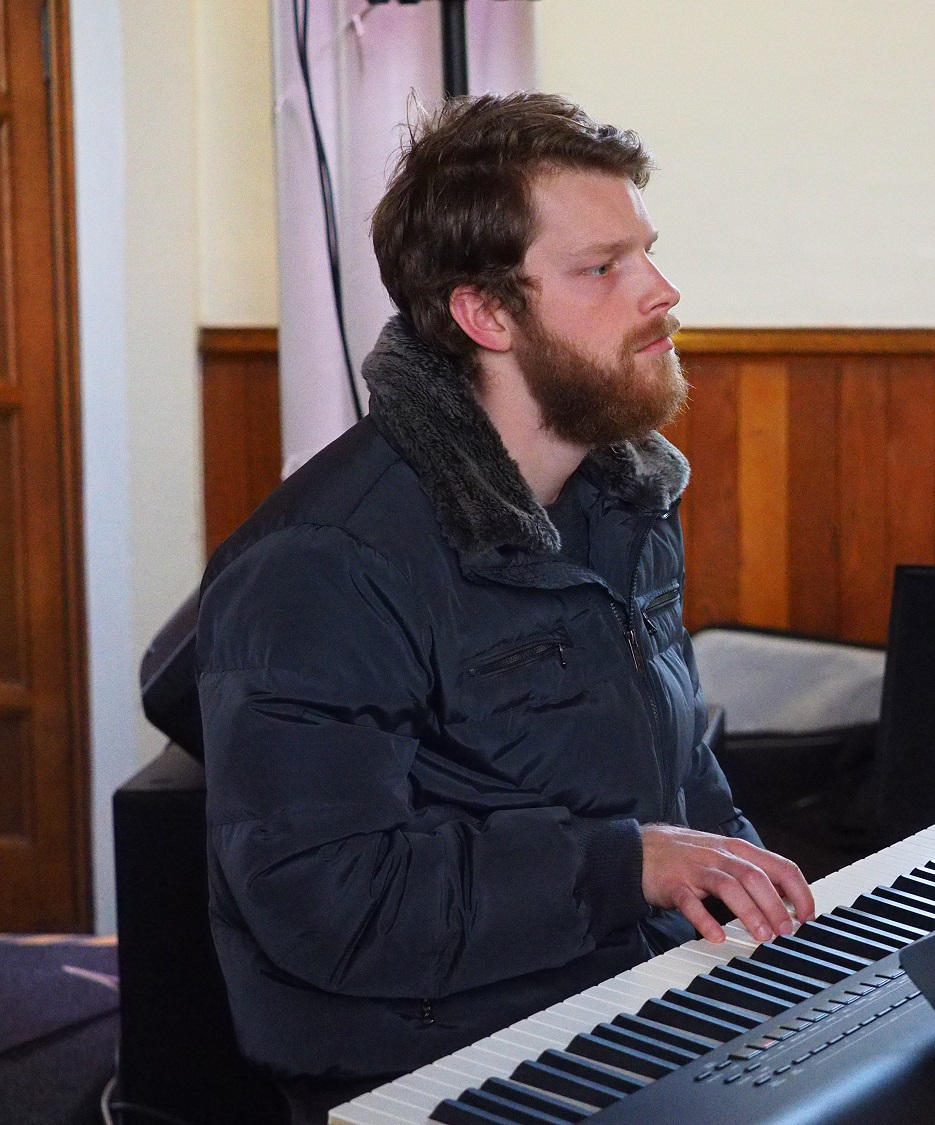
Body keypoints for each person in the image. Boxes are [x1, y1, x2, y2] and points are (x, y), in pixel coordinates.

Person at [196, 92, 815, 1115]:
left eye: (646, 253)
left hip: (630, 998)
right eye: (601, 268)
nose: (661, 292)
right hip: (438, 1064)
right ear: (485, 315)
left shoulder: (623, 498)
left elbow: (674, 773)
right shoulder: (321, 563)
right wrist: (627, 865)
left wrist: (756, 899)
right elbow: (321, 899)